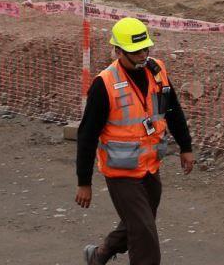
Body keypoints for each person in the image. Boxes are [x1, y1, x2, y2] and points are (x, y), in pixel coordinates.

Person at [76, 17, 195, 265]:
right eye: (136, 51)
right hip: (121, 173)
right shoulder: (104, 84)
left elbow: (172, 110)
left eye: (145, 49)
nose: (143, 55)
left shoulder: (157, 72)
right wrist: (84, 182)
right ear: (118, 51)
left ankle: (100, 254)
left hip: (150, 166)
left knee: (141, 222)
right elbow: (87, 136)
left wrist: (185, 146)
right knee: (144, 233)